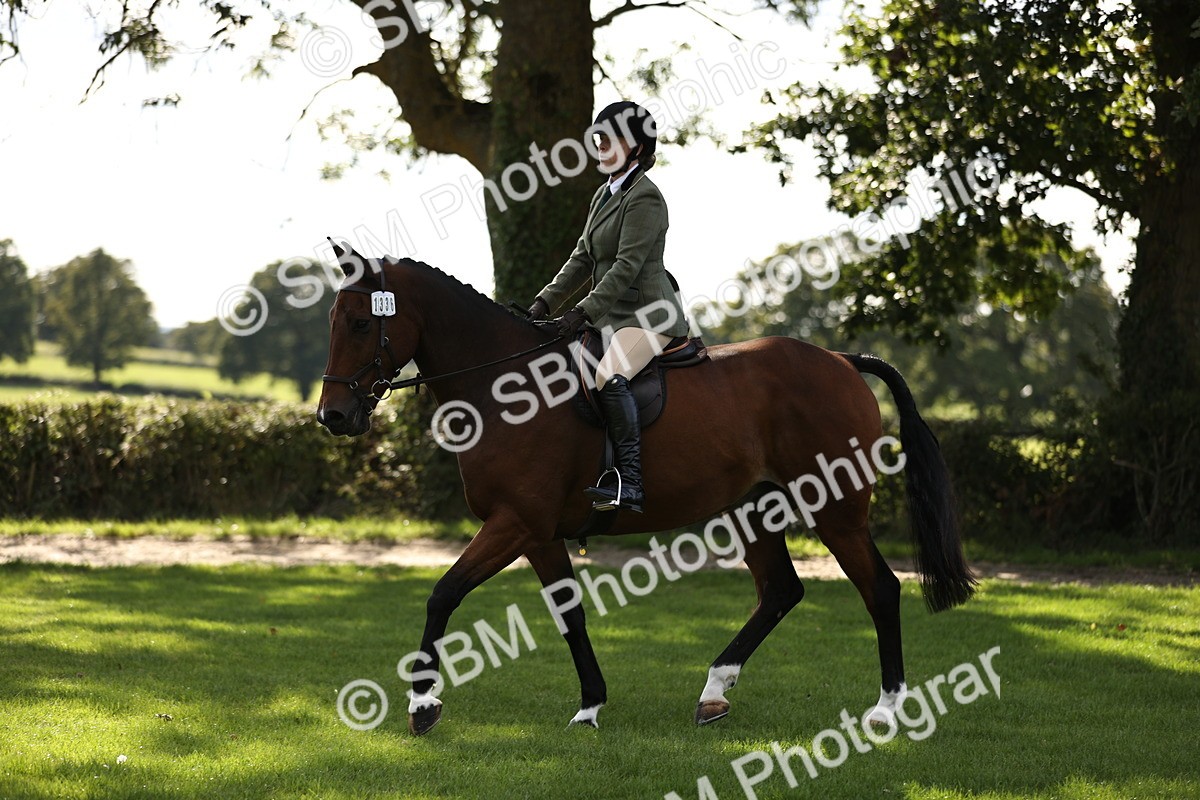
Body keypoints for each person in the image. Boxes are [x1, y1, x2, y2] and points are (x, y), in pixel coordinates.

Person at [527, 100, 690, 514]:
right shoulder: (604, 193)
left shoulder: (646, 198)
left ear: (636, 148)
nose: (601, 146)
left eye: (610, 139)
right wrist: (544, 301)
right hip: (612, 316)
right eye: (598, 139)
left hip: (650, 315)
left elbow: (626, 266)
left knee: (607, 374)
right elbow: (582, 257)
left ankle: (630, 483)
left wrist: (582, 311)